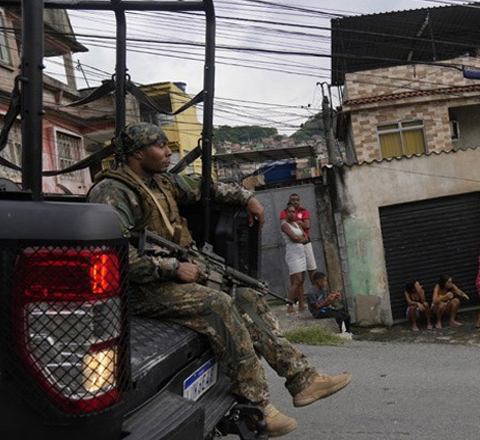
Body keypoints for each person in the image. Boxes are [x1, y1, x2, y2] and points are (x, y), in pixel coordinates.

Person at [88, 122, 351, 438]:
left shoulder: (160, 183)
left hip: (173, 276)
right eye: (161, 147)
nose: (169, 151)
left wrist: (245, 197)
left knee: (249, 296)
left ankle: (303, 380)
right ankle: (259, 406)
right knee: (220, 304)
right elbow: (113, 256)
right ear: (138, 153)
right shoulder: (111, 194)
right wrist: (172, 268)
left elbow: (204, 187)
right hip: (142, 290)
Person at [280, 193, 317, 286]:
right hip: (294, 245)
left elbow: (307, 226)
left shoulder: (304, 211)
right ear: (289, 201)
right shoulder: (284, 212)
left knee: (312, 267)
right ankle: (296, 298)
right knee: (297, 273)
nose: (295, 201)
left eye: (297, 200)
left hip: (306, 243)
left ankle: (316, 291)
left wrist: (297, 223)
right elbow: (285, 225)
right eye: (293, 200)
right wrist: (300, 222)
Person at [281, 204, 310, 315]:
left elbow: (305, 237)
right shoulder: (284, 225)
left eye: (294, 212)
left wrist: (300, 239)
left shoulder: (297, 224)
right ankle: (290, 304)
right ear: (286, 212)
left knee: (301, 280)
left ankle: (301, 305)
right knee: (296, 280)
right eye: (290, 212)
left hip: (301, 252)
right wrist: (300, 239)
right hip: (293, 254)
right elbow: (294, 237)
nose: (292, 214)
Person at [305, 272, 352, 336]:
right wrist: (327, 299)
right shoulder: (311, 292)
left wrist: (333, 299)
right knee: (339, 316)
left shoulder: (322, 290)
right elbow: (317, 307)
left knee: (346, 314)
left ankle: (348, 331)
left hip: (324, 309)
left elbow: (326, 304)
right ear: (318, 281)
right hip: (318, 312)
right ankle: (341, 331)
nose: (325, 283)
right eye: (324, 281)